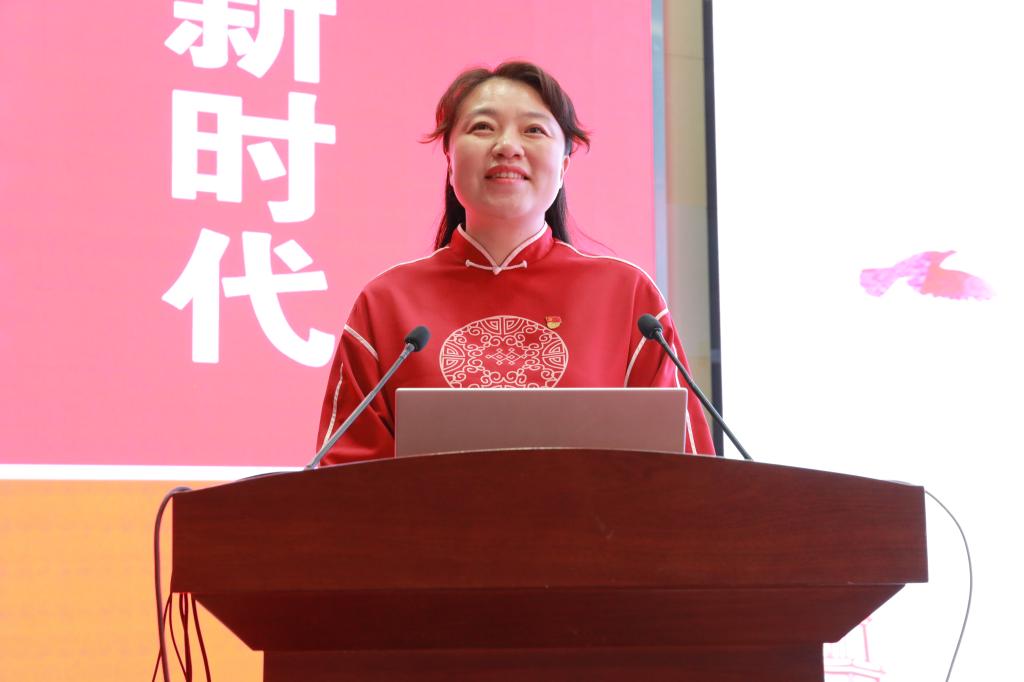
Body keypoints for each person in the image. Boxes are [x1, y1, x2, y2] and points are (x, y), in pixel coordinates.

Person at [316, 61, 714, 465]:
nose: (507, 146)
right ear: (450, 160)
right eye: (482, 127)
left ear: (563, 166)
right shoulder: (387, 302)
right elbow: (343, 479)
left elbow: (690, 476)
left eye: (534, 130)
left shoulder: (628, 297)